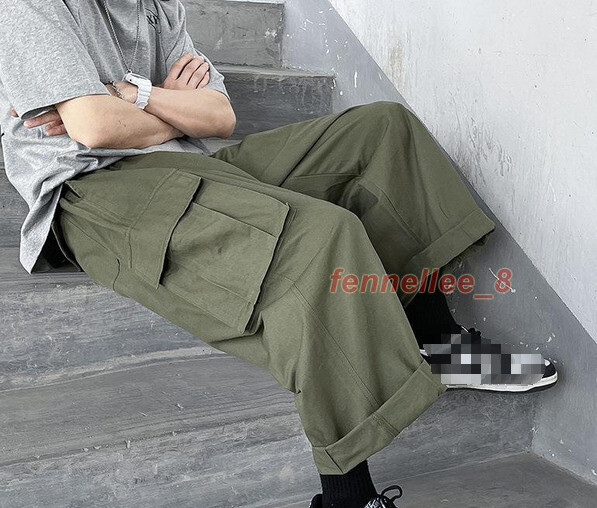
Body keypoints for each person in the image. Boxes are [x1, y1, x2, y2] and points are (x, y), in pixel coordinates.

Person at [0, 1, 557, 507]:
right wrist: (157, 104)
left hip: (193, 163)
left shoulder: (158, 7)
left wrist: (131, 95)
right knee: (318, 236)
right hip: (95, 192)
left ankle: (435, 338)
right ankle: (348, 496)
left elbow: (220, 117)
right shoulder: (32, 7)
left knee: (385, 129)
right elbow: (97, 130)